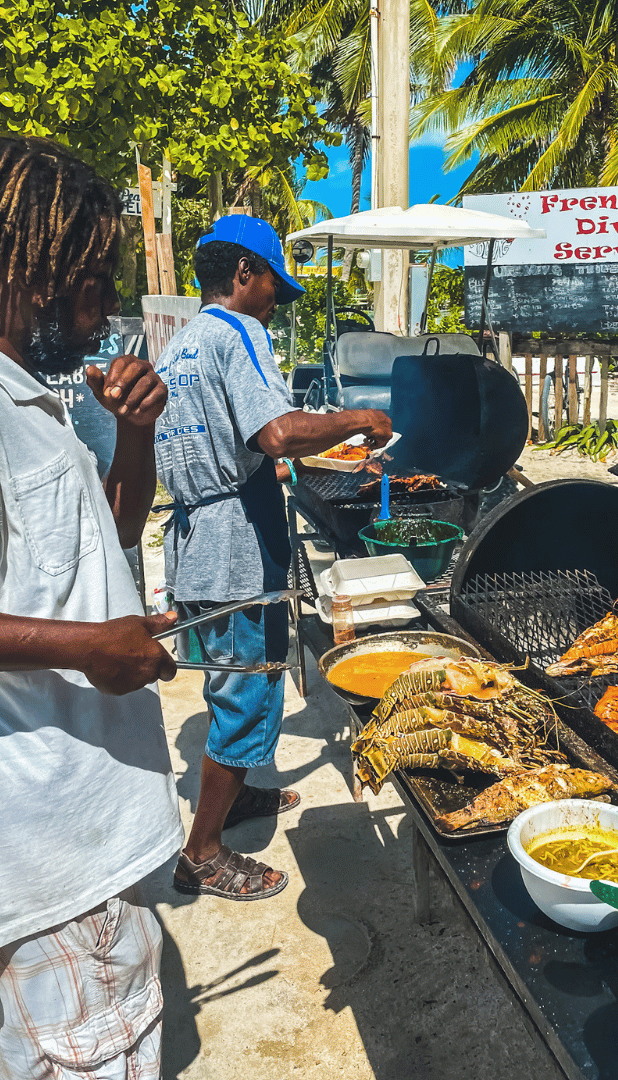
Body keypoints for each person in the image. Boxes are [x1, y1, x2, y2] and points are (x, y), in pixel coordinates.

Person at [0, 136, 183, 1079]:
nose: (104, 303)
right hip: (37, 866)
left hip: (87, 848)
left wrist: (136, 435)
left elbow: (108, 537)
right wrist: (87, 647)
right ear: (33, 273)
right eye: (91, 279)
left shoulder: (30, 396)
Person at [152, 215, 392, 901]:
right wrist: (359, 419)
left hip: (197, 538)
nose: (272, 305)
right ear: (242, 275)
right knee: (250, 688)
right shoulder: (238, 332)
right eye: (270, 288)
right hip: (236, 546)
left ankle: (238, 796)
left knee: (227, 679)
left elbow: (232, 446)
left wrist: (266, 470)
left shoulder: (177, 345)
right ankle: (201, 853)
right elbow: (280, 431)